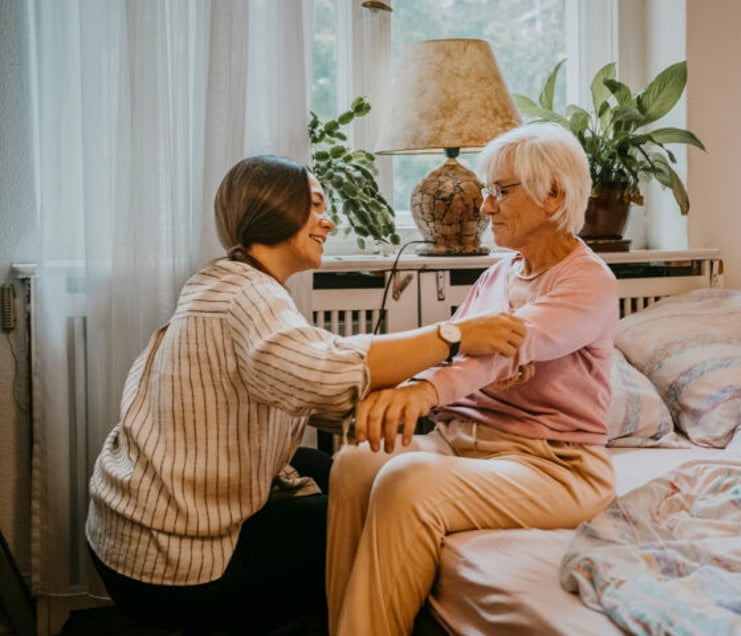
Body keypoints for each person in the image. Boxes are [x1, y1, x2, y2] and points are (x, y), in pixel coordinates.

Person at [84, 154, 526, 634]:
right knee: (371, 526)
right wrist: (453, 336)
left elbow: (313, 371)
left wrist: (416, 395)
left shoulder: (222, 281)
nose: (329, 220)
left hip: (126, 531)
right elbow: (328, 372)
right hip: (169, 565)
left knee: (322, 469)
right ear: (274, 209)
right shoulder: (249, 297)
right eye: (315, 205)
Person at [326, 122, 620, 636]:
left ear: (553, 194)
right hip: (464, 442)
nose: (485, 208)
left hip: (554, 465)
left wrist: (424, 392)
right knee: (356, 461)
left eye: (500, 192)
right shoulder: (497, 274)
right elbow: (453, 348)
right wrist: (397, 389)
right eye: (487, 192)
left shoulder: (588, 282)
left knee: (407, 482)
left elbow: (503, 348)